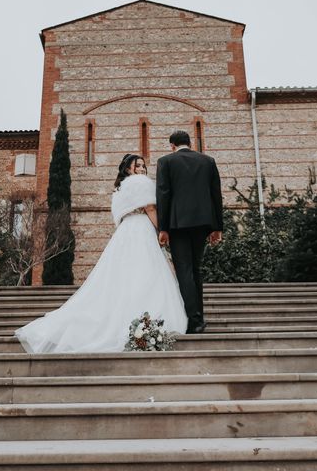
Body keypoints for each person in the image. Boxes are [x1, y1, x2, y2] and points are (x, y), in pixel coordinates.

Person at [15, 154, 187, 353]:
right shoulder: (141, 182)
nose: (142, 169)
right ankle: (145, 320)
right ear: (128, 168)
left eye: (143, 166)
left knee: (122, 277)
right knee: (146, 273)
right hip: (141, 229)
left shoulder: (119, 188)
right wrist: (162, 230)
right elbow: (149, 207)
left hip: (125, 231)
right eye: (137, 165)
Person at [156, 130, 223, 334]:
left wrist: (163, 228)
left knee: (184, 270)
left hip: (178, 224)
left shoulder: (165, 162)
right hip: (203, 223)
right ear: (190, 143)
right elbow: (216, 195)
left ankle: (194, 320)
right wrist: (217, 227)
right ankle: (199, 317)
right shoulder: (208, 161)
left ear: (172, 145)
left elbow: (163, 195)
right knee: (196, 269)